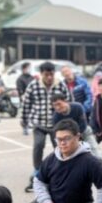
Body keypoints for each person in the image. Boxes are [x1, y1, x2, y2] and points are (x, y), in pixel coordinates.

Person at [21, 61, 72, 193]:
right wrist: (24, 120)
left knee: (60, 149)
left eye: (51, 74)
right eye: (46, 74)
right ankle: (37, 173)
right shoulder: (33, 85)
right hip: (39, 123)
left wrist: (69, 122)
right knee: (38, 145)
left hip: (56, 124)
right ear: (41, 74)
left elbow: (69, 101)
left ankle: (62, 172)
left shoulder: (60, 84)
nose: (49, 77)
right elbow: (26, 103)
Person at [52, 94, 102, 161]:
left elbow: (83, 124)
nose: (57, 107)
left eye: (59, 104)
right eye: (55, 105)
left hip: (84, 132)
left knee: (96, 154)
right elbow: (57, 131)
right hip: (68, 137)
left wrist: (76, 137)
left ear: (65, 101)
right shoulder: (56, 116)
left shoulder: (77, 107)